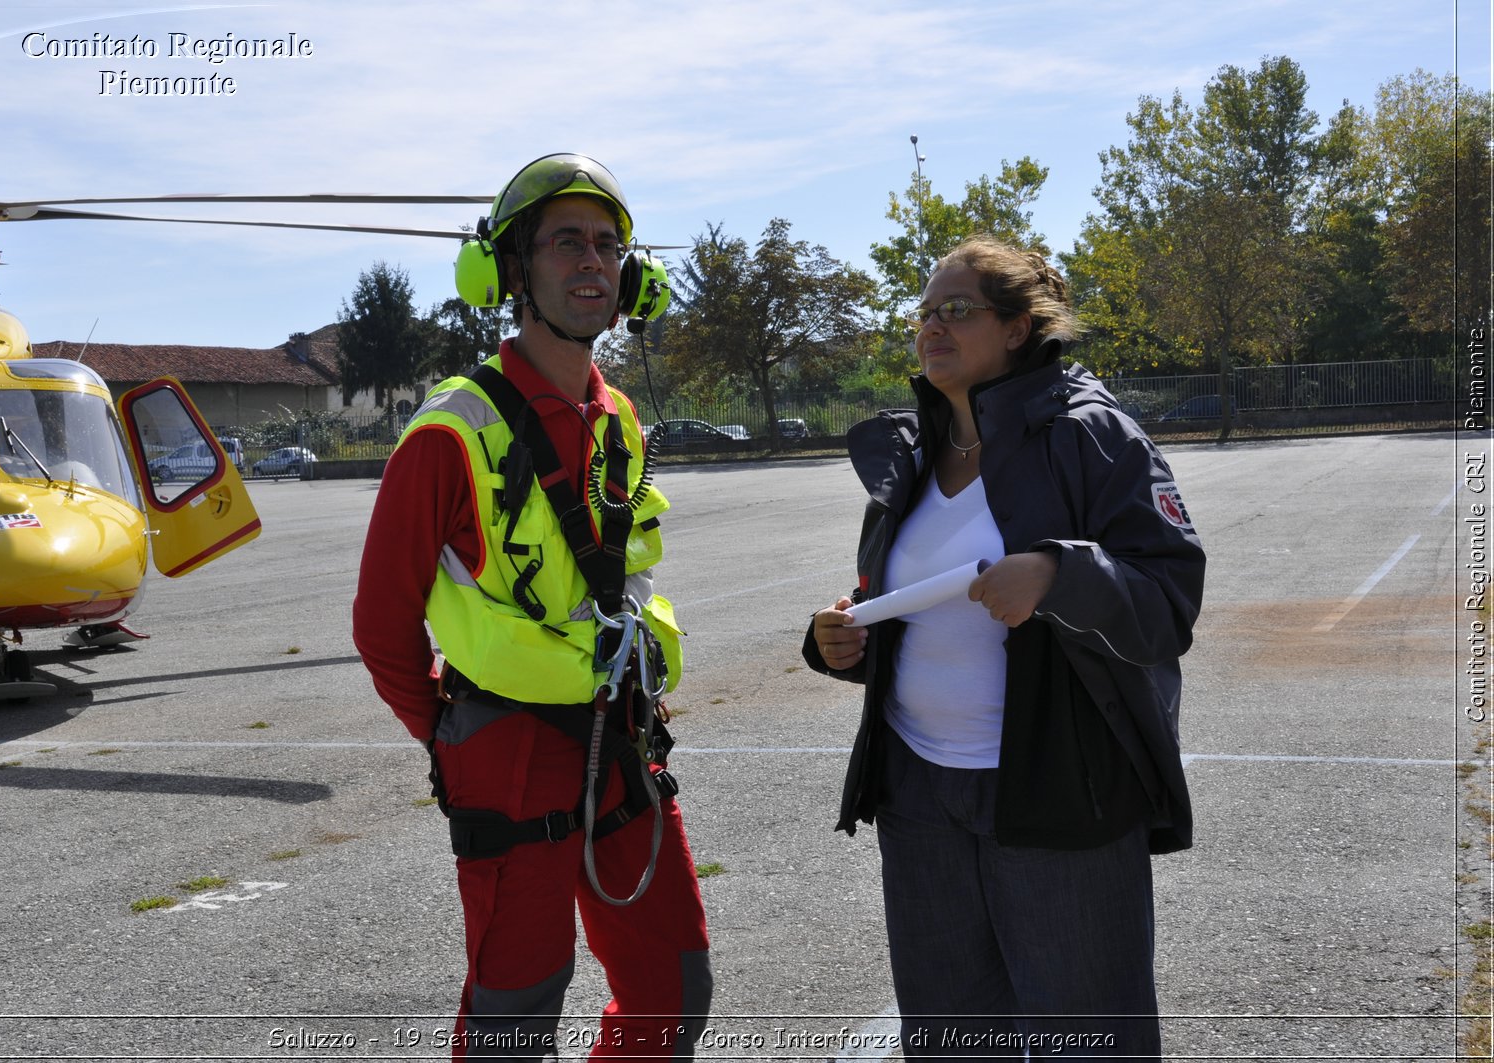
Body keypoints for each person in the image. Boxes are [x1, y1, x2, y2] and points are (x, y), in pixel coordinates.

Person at [805, 236, 1206, 1058]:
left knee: (1087, 1037)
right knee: (952, 1038)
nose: (932, 327)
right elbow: (906, 605)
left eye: (957, 310)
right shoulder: (911, 452)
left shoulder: (1094, 434)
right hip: (918, 796)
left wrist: (1059, 573)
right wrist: (843, 638)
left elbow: (1168, 601)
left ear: (1019, 328)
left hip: (1060, 788)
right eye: (925, 311)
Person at [353, 153, 710, 1061]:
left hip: (621, 736)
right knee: (515, 1020)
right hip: (506, 754)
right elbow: (381, 620)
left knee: (674, 988)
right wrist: (445, 731)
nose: (593, 262)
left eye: (608, 245)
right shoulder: (450, 429)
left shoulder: (617, 414)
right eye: (565, 244)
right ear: (511, 273)